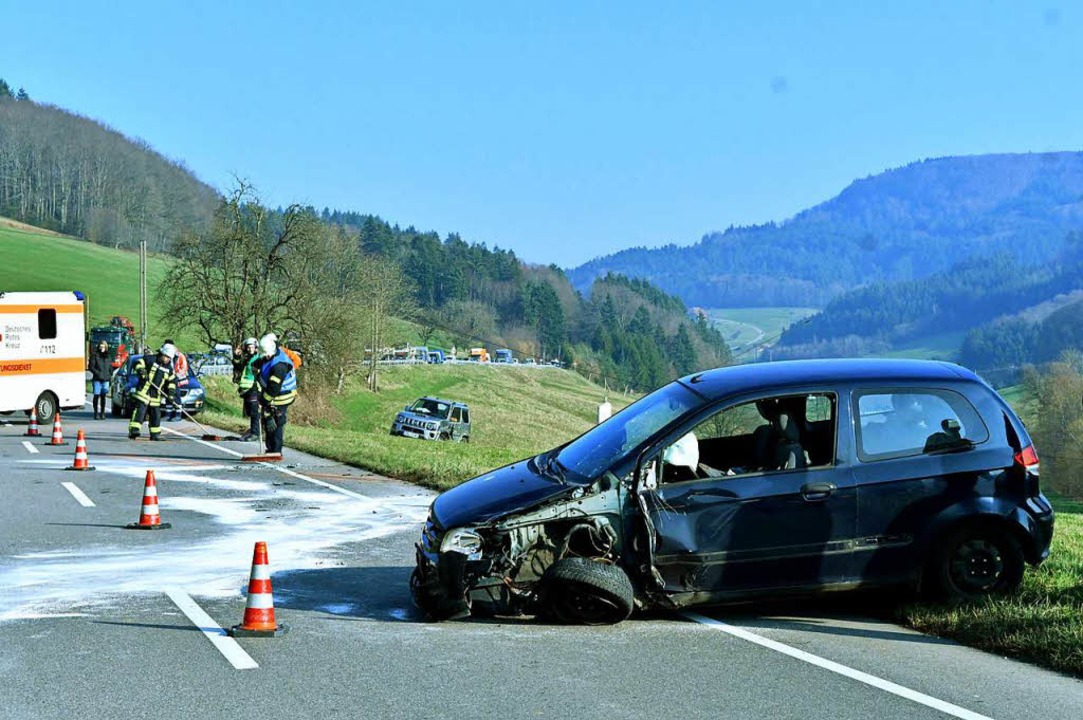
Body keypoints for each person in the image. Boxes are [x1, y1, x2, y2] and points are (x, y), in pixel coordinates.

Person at [256, 333, 297, 455]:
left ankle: (276, 451)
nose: (266, 356)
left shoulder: (279, 366)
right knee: (267, 420)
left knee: (276, 422)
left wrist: (263, 401)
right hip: (273, 394)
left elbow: (273, 389)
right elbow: (261, 363)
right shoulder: (272, 353)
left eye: (267, 354)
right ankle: (270, 448)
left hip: (282, 396)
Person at [128, 344, 177, 441]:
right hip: (143, 392)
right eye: (166, 357)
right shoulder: (150, 359)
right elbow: (138, 362)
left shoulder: (169, 369)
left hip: (155, 395)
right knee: (140, 412)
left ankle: (155, 434)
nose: (167, 359)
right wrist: (141, 370)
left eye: (169, 358)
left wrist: (171, 394)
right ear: (162, 353)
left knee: (156, 415)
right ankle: (134, 431)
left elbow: (171, 382)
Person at [236, 337, 261, 441]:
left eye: (252, 347)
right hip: (246, 388)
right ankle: (253, 430)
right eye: (248, 347)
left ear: (256, 348)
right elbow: (238, 367)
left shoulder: (258, 358)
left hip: (254, 388)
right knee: (250, 412)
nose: (250, 349)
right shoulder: (247, 359)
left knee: (255, 412)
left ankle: (255, 433)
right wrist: (236, 356)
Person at [162, 338, 189, 421]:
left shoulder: (180, 356)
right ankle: (168, 415)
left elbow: (184, 368)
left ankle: (178, 415)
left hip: (177, 380)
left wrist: (175, 377)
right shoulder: (165, 354)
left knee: (176, 397)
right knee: (168, 397)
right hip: (168, 379)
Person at [88, 340, 113, 420]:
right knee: (96, 395)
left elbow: (110, 366)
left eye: (103, 347)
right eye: (101, 347)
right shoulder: (95, 355)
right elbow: (91, 367)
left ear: (106, 347)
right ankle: (96, 413)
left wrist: (110, 373)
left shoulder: (108, 356)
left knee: (103, 396)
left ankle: (102, 413)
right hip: (97, 379)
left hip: (106, 379)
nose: (102, 348)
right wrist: (98, 373)